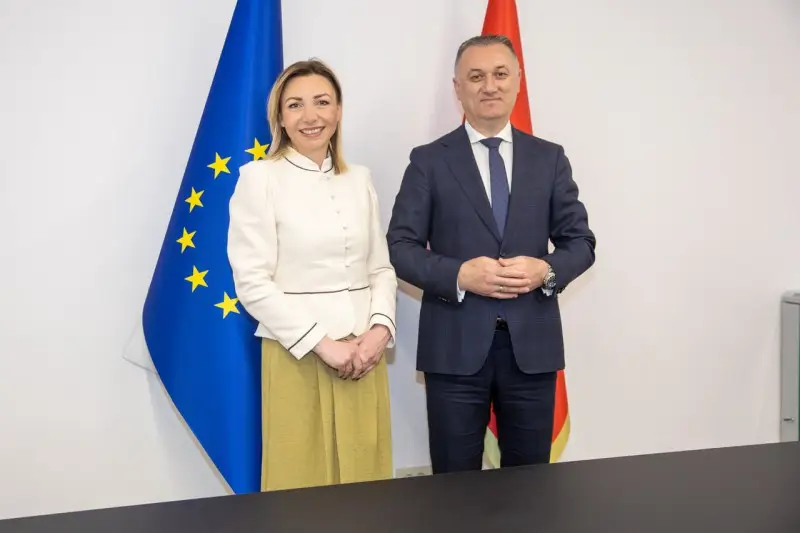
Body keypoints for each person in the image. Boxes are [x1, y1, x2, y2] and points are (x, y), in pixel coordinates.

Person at [386, 35, 596, 474]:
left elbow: (581, 243)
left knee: (530, 486)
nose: (489, 86)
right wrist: (459, 275)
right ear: (457, 87)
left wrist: (545, 269)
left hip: (532, 349)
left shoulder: (550, 158)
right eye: (476, 76)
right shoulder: (428, 161)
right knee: (455, 487)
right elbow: (400, 247)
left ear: (518, 81)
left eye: (500, 74)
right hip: (453, 349)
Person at [227, 59, 396, 491]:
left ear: (338, 111)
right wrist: (324, 345)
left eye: (322, 102)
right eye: (295, 105)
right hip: (297, 356)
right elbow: (252, 283)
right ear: (280, 118)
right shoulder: (259, 179)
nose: (310, 116)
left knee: (368, 487)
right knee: (300, 490)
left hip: (363, 357)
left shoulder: (359, 179)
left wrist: (379, 332)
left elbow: (380, 268)